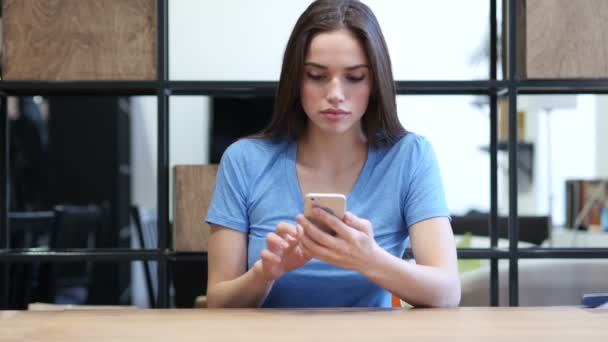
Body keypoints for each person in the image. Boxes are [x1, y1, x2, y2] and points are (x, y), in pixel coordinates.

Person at [205, 0, 460, 308]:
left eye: (354, 77)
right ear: (296, 79)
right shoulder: (244, 161)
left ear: (375, 83)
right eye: (316, 75)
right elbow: (218, 301)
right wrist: (264, 274)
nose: (336, 94)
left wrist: (371, 259)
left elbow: (447, 292)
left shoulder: (410, 157)